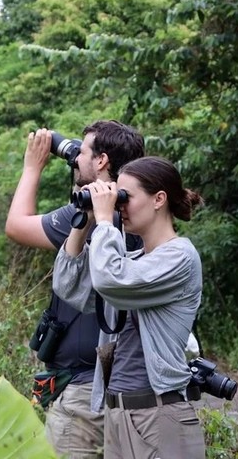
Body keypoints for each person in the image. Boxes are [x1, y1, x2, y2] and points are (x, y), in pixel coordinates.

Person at [5, 121, 145, 459]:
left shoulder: (88, 213)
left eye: (81, 152)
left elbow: (15, 225)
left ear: (101, 162)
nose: (75, 158)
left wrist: (32, 168)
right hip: (119, 383)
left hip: (85, 391)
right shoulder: (139, 213)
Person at [52, 156, 206, 459]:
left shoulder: (180, 257)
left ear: (159, 199)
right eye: (117, 197)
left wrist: (107, 220)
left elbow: (112, 280)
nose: (119, 205)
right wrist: (85, 221)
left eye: (126, 197)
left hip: (159, 415)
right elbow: (69, 287)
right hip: (119, 414)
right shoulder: (134, 263)